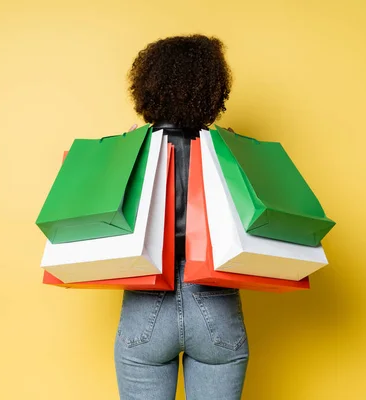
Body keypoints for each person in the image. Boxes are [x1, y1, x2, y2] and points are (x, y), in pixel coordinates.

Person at [114, 35, 249, 400]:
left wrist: (124, 150)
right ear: (212, 88)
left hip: (146, 308)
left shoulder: (129, 149)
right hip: (216, 305)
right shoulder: (231, 150)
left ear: (148, 85)